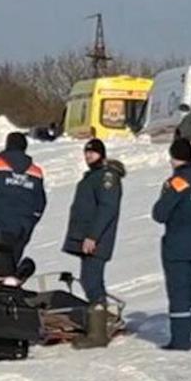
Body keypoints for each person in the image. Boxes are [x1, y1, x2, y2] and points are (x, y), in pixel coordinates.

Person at [152, 137, 191, 352]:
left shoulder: (178, 182)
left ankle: (180, 339)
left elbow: (159, 214)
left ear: (173, 157)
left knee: (178, 290)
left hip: (178, 244)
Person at [62, 138, 126, 348]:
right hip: (88, 238)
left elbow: (107, 209)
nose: (88, 156)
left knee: (92, 281)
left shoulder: (107, 177)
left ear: (102, 154)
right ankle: (97, 325)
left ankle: (98, 334)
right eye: (86, 152)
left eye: (93, 153)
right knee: (90, 280)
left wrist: (93, 236)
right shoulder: (94, 176)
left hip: (97, 240)